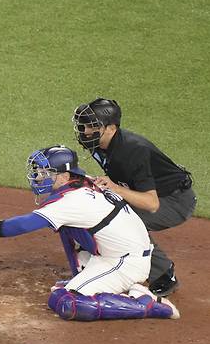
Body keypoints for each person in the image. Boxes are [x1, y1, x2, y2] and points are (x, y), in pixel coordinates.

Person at [0, 145, 179, 321]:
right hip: (116, 251)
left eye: (45, 173)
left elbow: (22, 225)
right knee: (65, 229)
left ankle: (147, 304)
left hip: (125, 262)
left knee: (66, 302)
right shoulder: (81, 184)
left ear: (63, 176)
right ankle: (92, 281)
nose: (38, 177)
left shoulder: (71, 201)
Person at [71, 98, 196, 296]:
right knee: (97, 206)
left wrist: (116, 189)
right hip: (148, 192)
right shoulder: (99, 143)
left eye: (92, 126)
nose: (85, 131)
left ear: (111, 128)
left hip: (174, 200)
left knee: (126, 221)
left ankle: (163, 274)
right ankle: (98, 256)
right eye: (84, 125)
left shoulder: (133, 151)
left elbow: (151, 203)